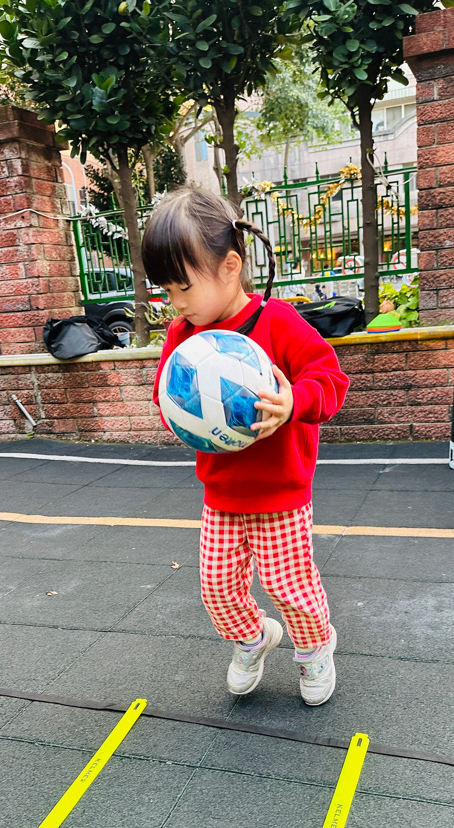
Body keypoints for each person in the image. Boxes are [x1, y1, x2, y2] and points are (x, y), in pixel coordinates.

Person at [142, 187, 349, 706]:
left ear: (230, 267)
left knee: (288, 584)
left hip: (280, 490)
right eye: (166, 290)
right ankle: (253, 638)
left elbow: (329, 379)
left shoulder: (277, 321)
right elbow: (168, 396)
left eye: (183, 287)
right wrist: (181, 412)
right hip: (222, 491)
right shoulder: (183, 335)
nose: (176, 302)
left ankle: (315, 648)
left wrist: (293, 401)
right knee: (216, 586)